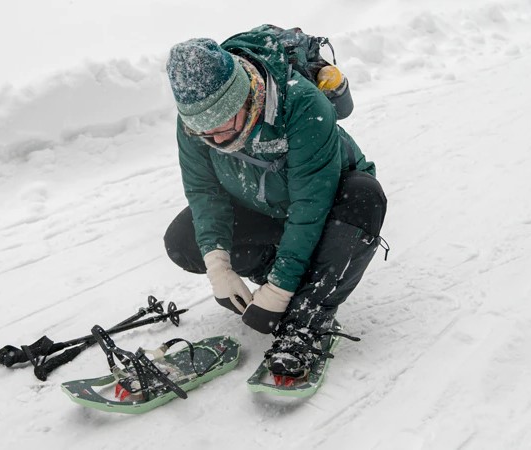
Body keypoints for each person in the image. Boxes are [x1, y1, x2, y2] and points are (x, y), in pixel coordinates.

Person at [163, 26, 387, 379]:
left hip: (328, 208)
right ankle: (289, 277)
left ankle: (308, 316)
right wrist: (218, 265)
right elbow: (205, 192)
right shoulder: (195, 121)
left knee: (365, 197)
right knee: (183, 240)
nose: (216, 139)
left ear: (242, 97)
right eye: (205, 133)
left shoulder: (301, 105)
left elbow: (309, 207)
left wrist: (280, 290)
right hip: (266, 207)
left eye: (222, 125)